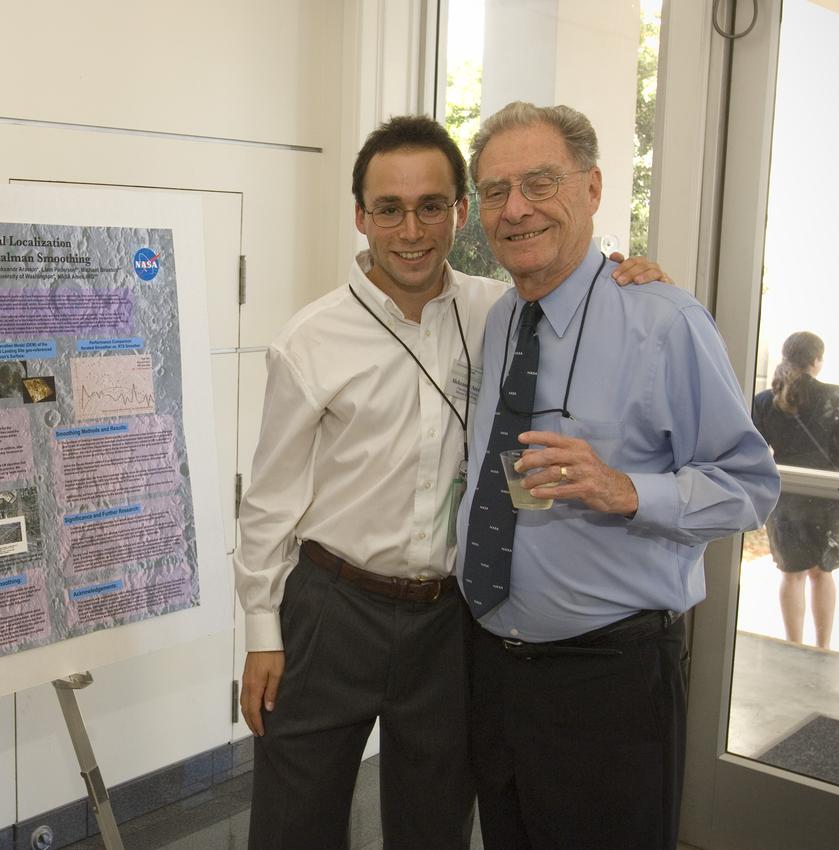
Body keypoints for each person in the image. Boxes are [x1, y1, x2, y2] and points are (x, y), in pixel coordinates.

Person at [233, 114, 667, 850]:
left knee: (434, 823)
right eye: (390, 209)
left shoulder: (497, 312)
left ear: (460, 212)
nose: (412, 229)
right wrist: (260, 635)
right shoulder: (310, 338)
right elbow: (269, 501)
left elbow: (574, 294)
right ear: (361, 217)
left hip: (448, 619)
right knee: (294, 821)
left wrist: (631, 278)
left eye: (432, 205)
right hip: (330, 608)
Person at [455, 101, 780, 850]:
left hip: (608, 682)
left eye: (541, 182)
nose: (518, 209)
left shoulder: (664, 322)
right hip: (493, 671)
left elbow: (752, 484)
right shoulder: (501, 318)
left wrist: (628, 490)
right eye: (498, 191)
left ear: (593, 188)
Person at [753, 331, 839, 648]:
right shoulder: (836, 397)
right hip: (826, 498)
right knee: (822, 572)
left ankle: (793, 647)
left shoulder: (766, 401)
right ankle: (822, 648)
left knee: (791, 574)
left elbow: (753, 448)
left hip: (786, 496)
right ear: (817, 360)